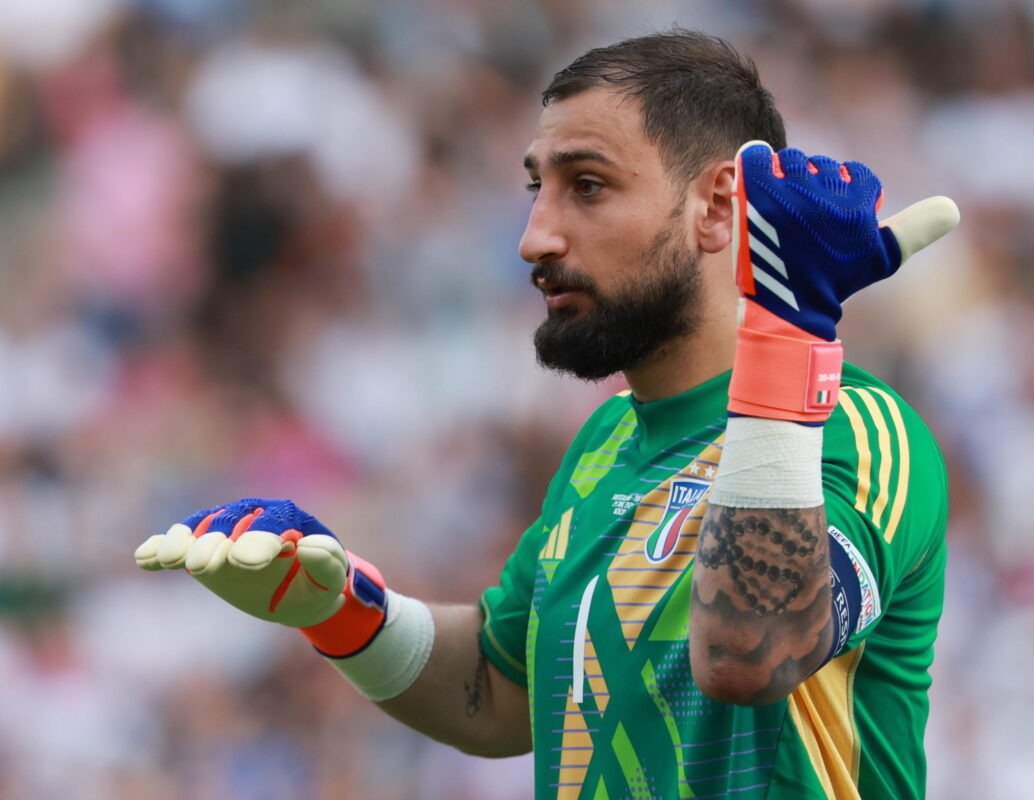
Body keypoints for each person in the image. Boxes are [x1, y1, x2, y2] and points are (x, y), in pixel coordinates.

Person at [136, 30, 958, 799]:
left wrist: (788, 328)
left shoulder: (857, 431)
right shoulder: (606, 441)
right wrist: (342, 609)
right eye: (538, 188)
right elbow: (502, 690)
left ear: (716, 207)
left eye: (587, 186)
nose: (534, 238)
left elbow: (751, 650)